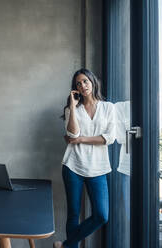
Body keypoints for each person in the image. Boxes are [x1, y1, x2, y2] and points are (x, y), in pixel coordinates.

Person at [54, 68, 115, 248]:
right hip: (73, 165)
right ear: (75, 89)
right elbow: (72, 133)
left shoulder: (108, 108)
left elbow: (109, 138)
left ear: (93, 82)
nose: (83, 85)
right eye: (78, 84)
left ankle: (64, 246)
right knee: (74, 213)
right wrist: (72, 107)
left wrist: (80, 140)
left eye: (85, 81)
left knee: (102, 215)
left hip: (99, 168)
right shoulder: (72, 109)